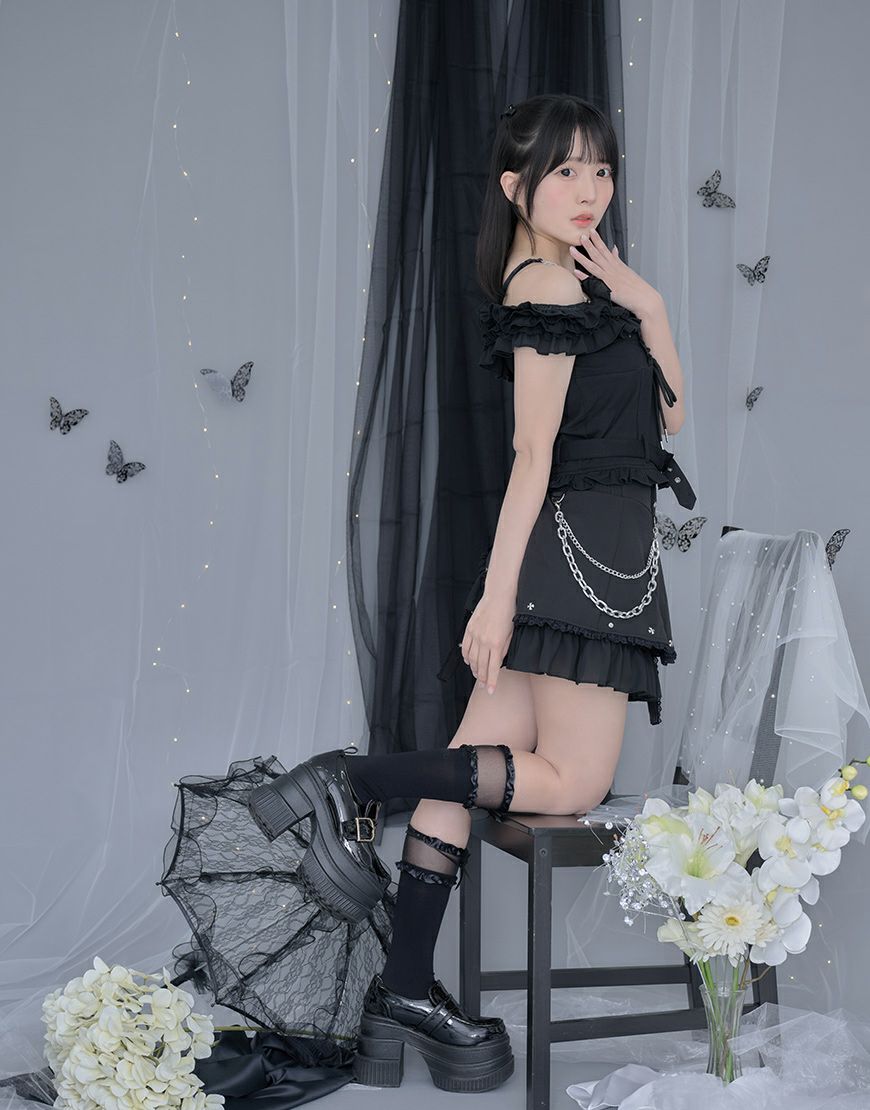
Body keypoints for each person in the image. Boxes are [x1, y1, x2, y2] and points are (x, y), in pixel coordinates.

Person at [248, 92, 696, 1095]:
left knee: (465, 765)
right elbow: (532, 456)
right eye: (566, 170)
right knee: (570, 784)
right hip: (577, 564)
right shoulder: (545, 286)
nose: (589, 189)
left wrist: (652, 307)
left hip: (586, 557)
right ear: (514, 186)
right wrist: (495, 600)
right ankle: (354, 780)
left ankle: (404, 989)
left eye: (601, 169)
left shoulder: (589, 288)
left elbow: (670, 419)